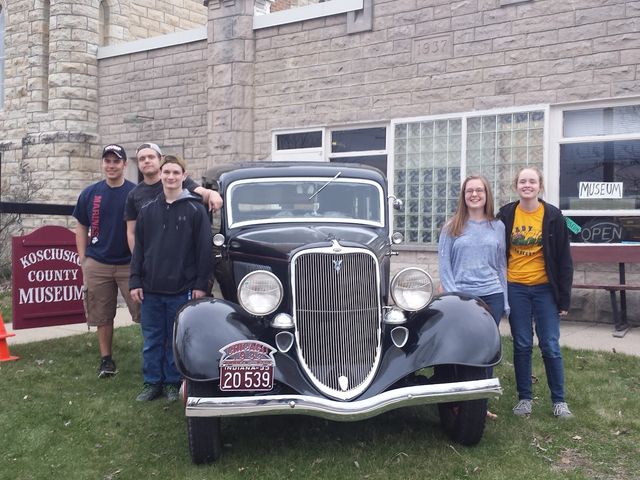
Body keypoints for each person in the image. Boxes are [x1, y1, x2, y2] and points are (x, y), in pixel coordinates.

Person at [129, 154, 213, 402]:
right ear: (161, 175)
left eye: (176, 172)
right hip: (151, 289)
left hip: (182, 288)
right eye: (166, 172)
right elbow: (139, 249)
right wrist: (135, 280)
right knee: (152, 339)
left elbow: (204, 250)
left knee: (175, 339)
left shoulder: (195, 210)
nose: (171, 177)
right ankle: (152, 382)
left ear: (184, 176)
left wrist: (200, 284)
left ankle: (172, 383)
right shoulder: (148, 210)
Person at [498, 166, 574, 419]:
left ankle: (559, 401)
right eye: (523, 181)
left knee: (550, 344)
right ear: (516, 186)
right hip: (515, 288)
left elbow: (564, 260)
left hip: (545, 290)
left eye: (532, 181)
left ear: (540, 186)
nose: (527, 185)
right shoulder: (506, 214)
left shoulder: (553, 215)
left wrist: (564, 299)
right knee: (521, 344)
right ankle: (525, 399)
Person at [438, 175, 508, 420]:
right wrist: (453, 294)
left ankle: (479, 405)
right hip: (463, 298)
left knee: (486, 351)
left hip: (492, 295)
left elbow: (501, 265)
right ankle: (458, 401)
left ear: (487, 195)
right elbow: (444, 265)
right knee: (460, 350)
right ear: (464, 195)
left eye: (479, 190)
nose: (474, 194)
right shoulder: (452, 226)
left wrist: (505, 299)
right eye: (470, 191)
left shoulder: (497, 227)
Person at [73, 144, 139, 378]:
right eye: (107, 161)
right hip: (98, 263)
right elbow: (81, 226)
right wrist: (83, 259)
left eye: (116, 161)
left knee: (144, 311)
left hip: (129, 264)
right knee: (102, 314)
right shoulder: (90, 193)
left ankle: (155, 359)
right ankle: (106, 360)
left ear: (125, 164)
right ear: (102, 163)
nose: (111, 166)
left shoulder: (135, 193)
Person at [124, 142, 222, 253]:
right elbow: (131, 232)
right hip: (152, 255)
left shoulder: (176, 181)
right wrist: (137, 259)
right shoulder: (134, 194)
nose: (146, 161)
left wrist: (213, 194)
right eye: (142, 159)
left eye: (151, 157)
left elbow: (202, 192)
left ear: (160, 159)